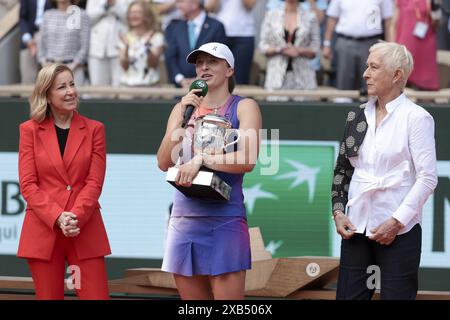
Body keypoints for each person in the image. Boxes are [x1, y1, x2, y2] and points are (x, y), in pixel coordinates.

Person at [331, 42, 437, 300]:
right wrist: (337, 211)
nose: (365, 73)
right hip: (356, 225)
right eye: (367, 66)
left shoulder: (416, 117)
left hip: (400, 230)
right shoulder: (356, 117)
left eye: (374, 67)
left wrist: (396, 221)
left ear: (397, 75)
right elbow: (342, 170)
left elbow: (427, 178)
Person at [157, 42, 262, 299]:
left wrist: (200, 159)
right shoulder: (181, 109)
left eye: (212, 62)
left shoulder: (244, 106)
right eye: (199, 62)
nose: (204, 67)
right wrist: (181, 118)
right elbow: (163, 162)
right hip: (184, 221)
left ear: (229, 70)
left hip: (225, 218)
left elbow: (248, 158)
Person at [17, 63, 111, 300]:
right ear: (47, 95)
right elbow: (28, 185)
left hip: (84, 227)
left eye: (72, 84)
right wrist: (58, 216)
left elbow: (94, 183)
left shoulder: (94, 129)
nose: (71, 91)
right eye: (62, 87)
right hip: (44, 230)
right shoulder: (29, 131)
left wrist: (74, 216)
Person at [322, 0, 393, 97]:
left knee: (372, 84)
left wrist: (390, 48)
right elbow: (332, 18)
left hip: (371, 43)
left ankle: (371, 109)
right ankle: (343, 110)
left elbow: (388, 21)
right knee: (343, 84)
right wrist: (327, 44)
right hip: (345, 41)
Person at [259, 0, 320, 92]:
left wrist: (299, 51)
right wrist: (280, 49)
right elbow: (262, 46)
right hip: (276, 78)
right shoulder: (271, 16)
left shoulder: (310, 17)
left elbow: (315, 48)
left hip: (304, 79)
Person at [164, 0, 226, 88]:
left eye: (181, 2)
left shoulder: (216, 26)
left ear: (195, 4)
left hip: (209, 89)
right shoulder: (175, 27)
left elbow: (220, 58)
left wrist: (202, 78)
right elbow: (171, 57)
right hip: (181, 89)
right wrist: (180, 79)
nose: (178, 6)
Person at [37, 0, 90, 86]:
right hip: (50, 70)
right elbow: (41, 46)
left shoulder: (81, 15)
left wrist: (71, 67)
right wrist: (45, 65)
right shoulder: (47, 15)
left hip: (74, 70)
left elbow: (84, 47)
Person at [392, 0, 440, 91]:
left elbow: (436, 25)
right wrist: (391, 47)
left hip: (425, 49)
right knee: (401, 86)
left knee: (425, 89)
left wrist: (435, 8)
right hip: (405, 48)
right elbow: (393, 24)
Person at [118, 0, 165, 86]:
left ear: (147, 15)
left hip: (150, 87)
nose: (133, 15)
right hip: (127, 87)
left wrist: (147, 46)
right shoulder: (125, 37)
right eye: (131, 12)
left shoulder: (156, 36)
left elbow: (153, 64)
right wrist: (126, 47)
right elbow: (124, 66)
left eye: (138, 12)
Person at [86, 0, 132, 87]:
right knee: (98, 88)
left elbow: (132, 17)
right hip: (97, 48)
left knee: (121, 87)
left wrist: (115, 5)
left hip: (121, 48)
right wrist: (105, 6)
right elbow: (88, 18)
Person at [19, 0, 53, 84]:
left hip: (50, 38)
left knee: (49, 79)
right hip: (29, 36)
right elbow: (22, 17)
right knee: (28, 78)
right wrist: (27, 39)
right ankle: (27, 97)